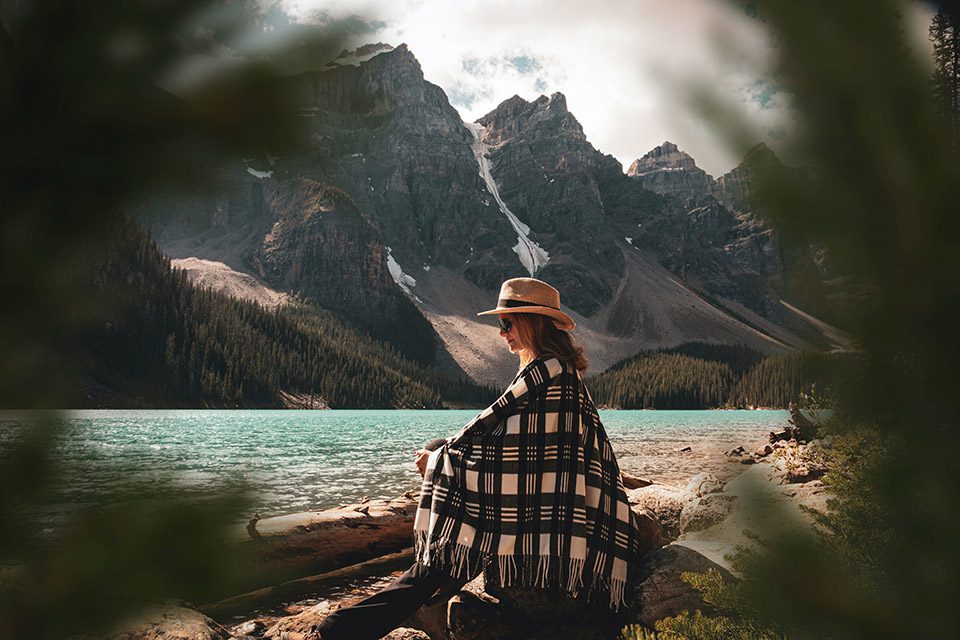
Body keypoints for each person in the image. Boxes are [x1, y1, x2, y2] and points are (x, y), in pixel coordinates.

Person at [299, 277, 641, 640]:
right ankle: (352, 626)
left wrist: (437, 464)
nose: (502, 333)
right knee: (440, 499)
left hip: (536, 505)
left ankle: (339, 629)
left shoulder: (545, 373)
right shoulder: (559, 370)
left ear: (531, 323)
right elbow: (507, 440)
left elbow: (513, 452)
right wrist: (444, 456)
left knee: (436, 559)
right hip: (543, 498)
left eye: (506, 323)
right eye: (501, 324)